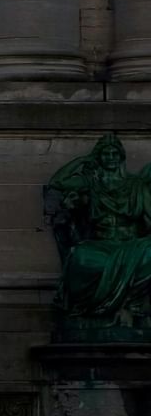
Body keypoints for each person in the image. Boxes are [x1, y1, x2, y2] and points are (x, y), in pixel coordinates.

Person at [47, 133, 151, 320]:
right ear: (98, 156)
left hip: (132, 244)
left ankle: (131, 305)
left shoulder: (137, 186)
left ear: (121, 156)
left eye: (114, 153)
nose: (110, 157)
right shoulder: (91, 183)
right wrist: (82, 160)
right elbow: (58, 182)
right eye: (105, 153)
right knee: (80, 257)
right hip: (100, 245)